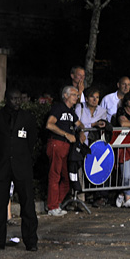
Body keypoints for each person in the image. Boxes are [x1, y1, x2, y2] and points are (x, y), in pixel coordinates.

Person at [0, 88, 40, 251]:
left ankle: (31, 241)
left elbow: (31, 140)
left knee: (27, 205)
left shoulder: (28, 118)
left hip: (22, 166)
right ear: (6, 99)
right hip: (2, 166)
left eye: (19, 99)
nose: (17, 102)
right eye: (13, 99)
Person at [44, 85, 81, 216]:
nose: (76, 97)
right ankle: (52, 206)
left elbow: (79, 124)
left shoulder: (71, 112)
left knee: (67, 177)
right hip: (57, 143)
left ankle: (56, 203)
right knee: (55, 175)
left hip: (67, 147)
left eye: (77, 95)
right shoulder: (58, 108)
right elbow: (49, 124)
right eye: (74, 95)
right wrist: (66, 134)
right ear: (65, 95)